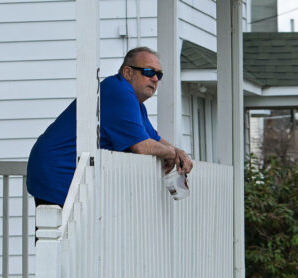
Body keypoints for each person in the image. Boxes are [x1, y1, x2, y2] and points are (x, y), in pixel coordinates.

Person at [27, 47, 194, 207]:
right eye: (149, 72)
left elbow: (153, 139)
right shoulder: (119, 91)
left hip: (68, 170)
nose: (155, 79)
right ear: (128, 72)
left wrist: (178, 152)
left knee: (75, 233)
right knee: (60, 232)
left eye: (159, 74)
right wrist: (173, 153)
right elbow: (142, 146)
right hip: (59, 169)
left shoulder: (134, 102)